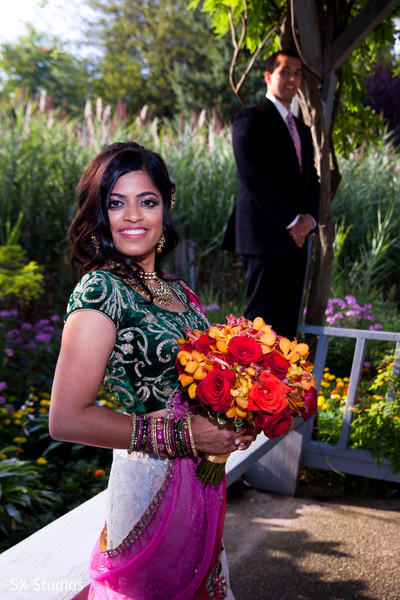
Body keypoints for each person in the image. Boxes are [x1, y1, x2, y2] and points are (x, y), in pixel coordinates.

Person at [49, 141, 254, 600]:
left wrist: (236, 417)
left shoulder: (178, 291)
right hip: (148, 488)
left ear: (166, 206)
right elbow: (66, 419)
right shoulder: (102, 291)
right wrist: (186, 435)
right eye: (116, 203)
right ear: (100, 214)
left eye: (147, 201)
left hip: (202, 484)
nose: (133, 216)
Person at [222, 49, 320, 340]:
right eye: (285, 71)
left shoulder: (301, 129)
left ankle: (284, 386)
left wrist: (309, 220)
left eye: (297, 73)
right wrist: (292, 221)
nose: (292, 78)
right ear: (268, 77)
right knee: (258, 327)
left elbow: (311, 178)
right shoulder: (250, 117)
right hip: (263, 237)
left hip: (297, 240)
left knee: (287, 329)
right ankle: (250, 385)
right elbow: (253, 176)